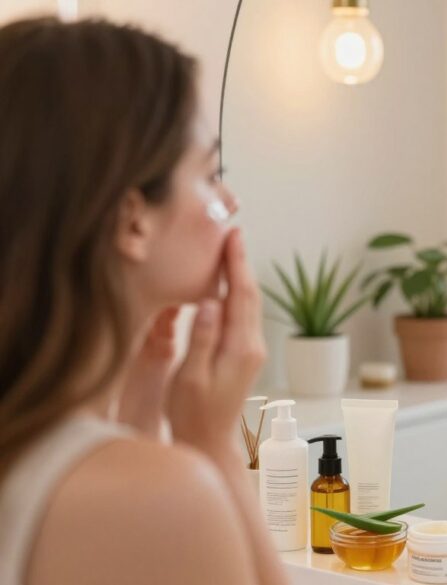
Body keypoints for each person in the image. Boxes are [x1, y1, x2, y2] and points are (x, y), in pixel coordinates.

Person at [0, 17, 289, 585]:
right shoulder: (161, 500)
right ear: (133, 220)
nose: (229, 202)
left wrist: (134, 421)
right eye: (212, 174)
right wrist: (211, 446)